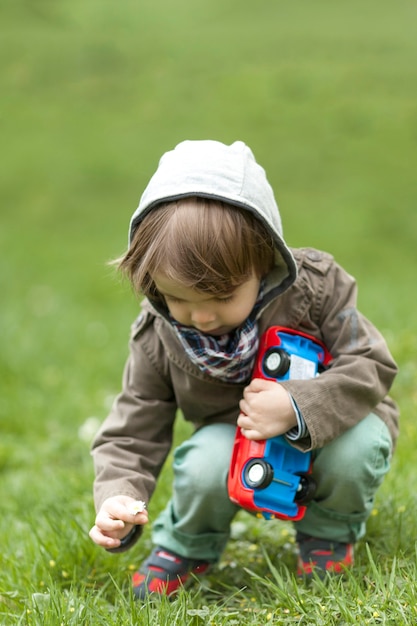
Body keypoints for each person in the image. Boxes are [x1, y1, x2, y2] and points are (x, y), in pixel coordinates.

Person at [89, 139, 399, 598]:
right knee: (201, 464)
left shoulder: (316, 287)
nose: (201, 317)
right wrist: (117, 494)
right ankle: (187, 546)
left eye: (220, 298)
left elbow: (370, 361)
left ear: (263, 262)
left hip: (329, 428)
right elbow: (134, 427)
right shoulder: (158, 333)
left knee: (361, 447)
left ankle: (327, 538)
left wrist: (297, 406)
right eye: (178, 299)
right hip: (231, 445)